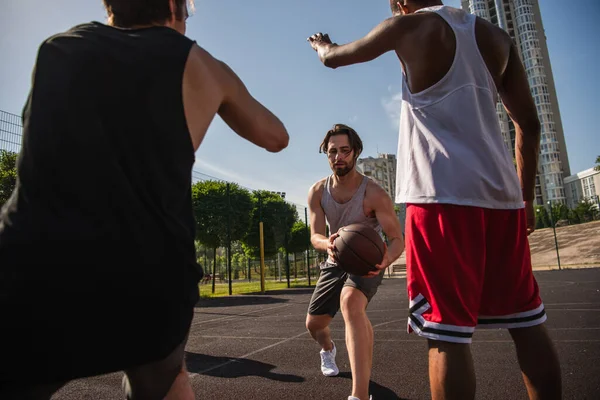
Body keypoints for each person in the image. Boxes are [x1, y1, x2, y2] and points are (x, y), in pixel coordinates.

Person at [0, 0, 289, 399]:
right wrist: (218, 84)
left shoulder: (56, 47)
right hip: (148, 273)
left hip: (35, 264)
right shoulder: (201, 66)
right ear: (174, 8)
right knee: (166, 380)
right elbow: (276, 137)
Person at [307, 1, 561, 399]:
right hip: (503, 198)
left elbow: (335, 59)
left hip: (441, 198)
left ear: (401, 2)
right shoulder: (497, 37)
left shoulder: (407, 27)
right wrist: (526, 200)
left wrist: (322, 46)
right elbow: (528, 123)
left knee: (447, 334)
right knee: (526, 322)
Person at [306, 124, 404, 400]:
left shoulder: (373, 193)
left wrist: (385, 260)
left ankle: (359, 395)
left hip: (367, 260)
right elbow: (315, 235)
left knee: (350, 303)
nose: (338, 156)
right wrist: (328, 244)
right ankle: (327, 349)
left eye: (344, 151)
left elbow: (397, 239)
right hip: (335, 257)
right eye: (332, 151)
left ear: (356, 152)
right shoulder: (317, 191)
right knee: (314, 324)